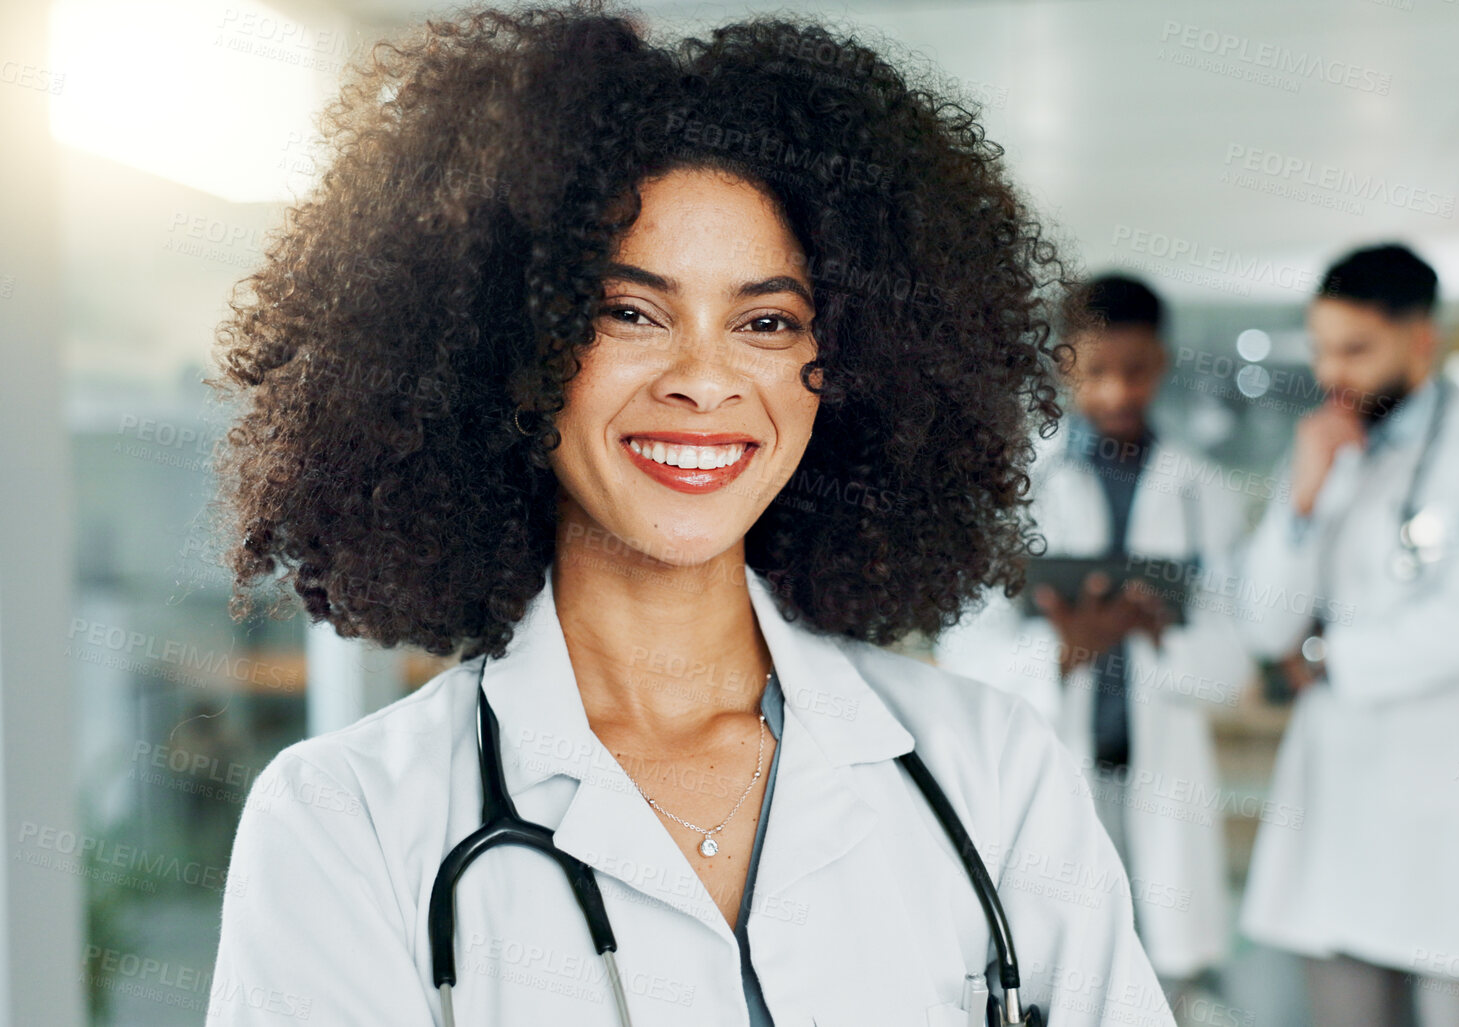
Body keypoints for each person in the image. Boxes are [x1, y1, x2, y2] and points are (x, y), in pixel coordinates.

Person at [201, 6, 1173, 1025]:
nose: (705, 382)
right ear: (510, 346)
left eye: (766, 321)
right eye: (630, 312)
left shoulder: (992, 771)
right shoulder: (344, 818)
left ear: (847, 370)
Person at [1235, 243, 1459, 1027]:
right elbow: (1262, 619)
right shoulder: (1326, 450)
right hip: (1337, 815)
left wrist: (1321, 658)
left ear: (1422, 340)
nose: (1331, 374)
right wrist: (1300, 506)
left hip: (1453, 812)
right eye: (1321, 349)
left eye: (1356, 350)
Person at [933, 275, 1253, 1005]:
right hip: (1053, 770)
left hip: (1160, 773)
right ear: (1062, 362)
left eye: (1135, 370)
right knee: (1056, 978)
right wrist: (1062, 648)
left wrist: (1154, 632)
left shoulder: (1203, 492)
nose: (1115, 391)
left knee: (1162, 985)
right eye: (1095, 371)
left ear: (1161, 363)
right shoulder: (1013, 487)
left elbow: (1231, 659)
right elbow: (962, 651)